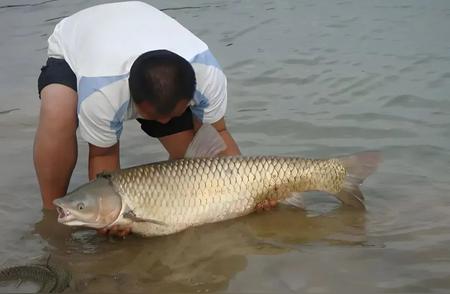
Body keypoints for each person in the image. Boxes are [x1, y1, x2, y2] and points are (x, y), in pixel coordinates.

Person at [34, 1, 241, 213]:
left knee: (192, 163)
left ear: (189, 96)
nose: (164, 124)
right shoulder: (102, 93)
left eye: (172, 116)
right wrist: (109, 215)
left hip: (141, 27)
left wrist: (244, 196)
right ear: (135, 101)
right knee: (58, 112)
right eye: (155, 116)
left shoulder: (209, 76)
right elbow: (103, 155)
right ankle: (52, 209)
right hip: (74, 46)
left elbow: (217, 133)